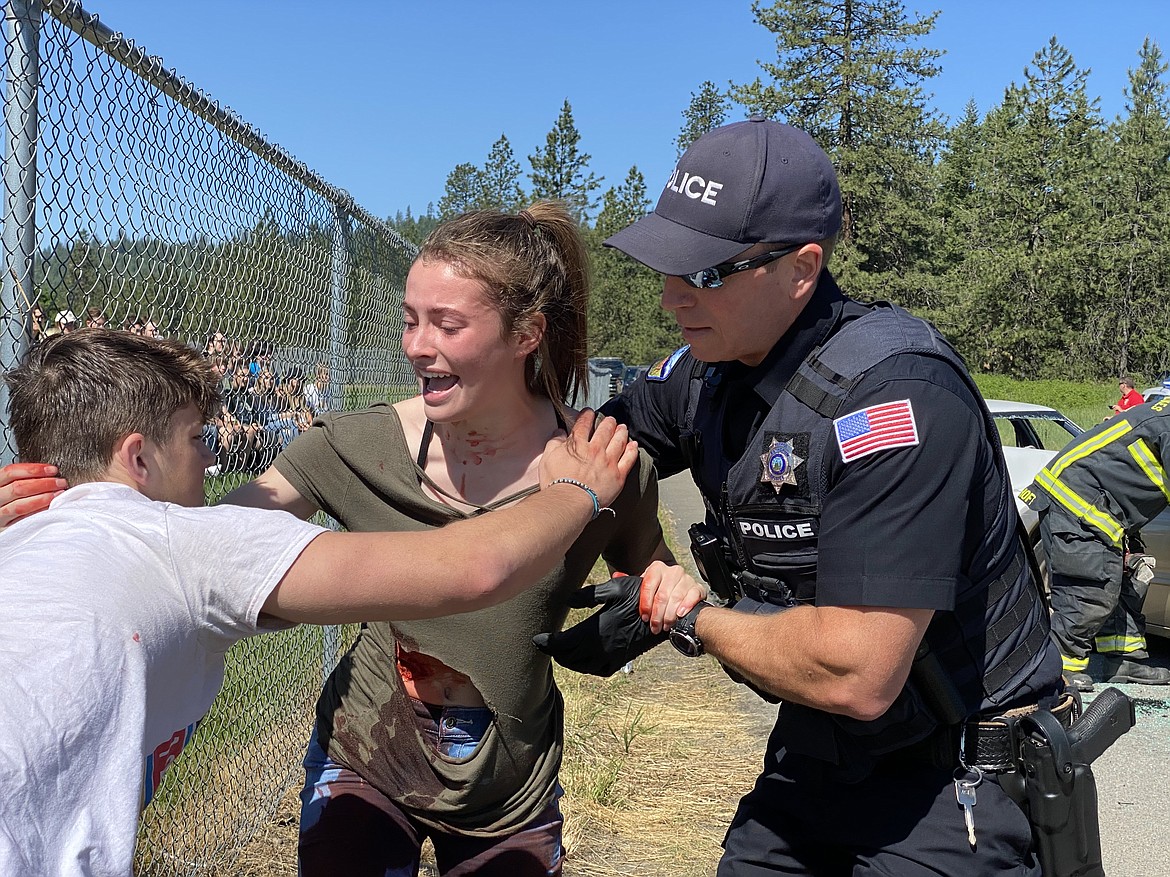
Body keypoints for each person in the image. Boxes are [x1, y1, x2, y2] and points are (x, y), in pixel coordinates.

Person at [0, 203, 702, 875]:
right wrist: (74, 511)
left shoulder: (606, 463)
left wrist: (667, 584)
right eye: (409, 320)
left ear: (526, 334)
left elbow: (651, 567)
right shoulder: (355, 444)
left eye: (447, 324)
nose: (417, 346)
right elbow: (211, 531)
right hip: (366, 754)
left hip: (507, 786)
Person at [545, 118, 1070, 875]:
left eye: (703, 273)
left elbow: (859, 671)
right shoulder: (705, 374)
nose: (669, 297)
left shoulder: (897, 399)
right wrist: (632, 558)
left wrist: (689, 614)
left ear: (801, 267)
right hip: (816, 761)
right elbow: (589, 448)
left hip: (951, 785)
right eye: (667, 268)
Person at [1020, 398, 1170, 691]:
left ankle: (1124, 660)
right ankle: (1059, 666)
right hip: (1078, 503)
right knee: (1090, 591)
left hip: (1101, 505)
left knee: (1124, 580)